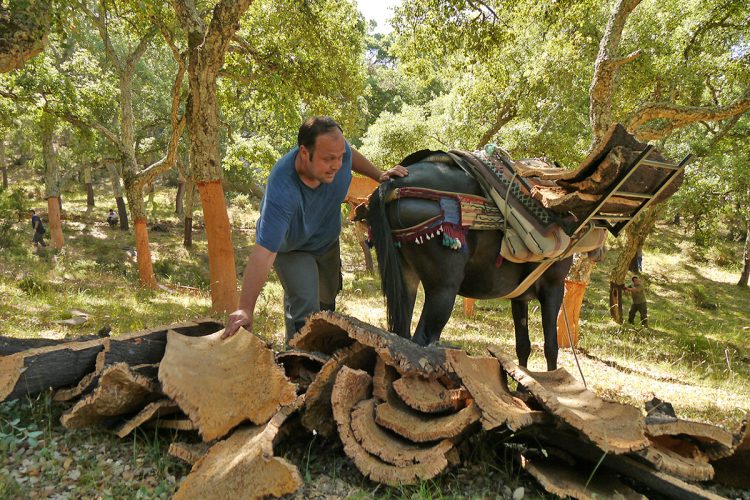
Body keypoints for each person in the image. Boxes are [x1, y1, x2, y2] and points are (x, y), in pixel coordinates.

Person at [223, 116, 408, 342]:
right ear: (304, 152)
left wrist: (379, 175)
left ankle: (320, 357)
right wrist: (245, 309)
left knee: (327, 304)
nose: (337, 165)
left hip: (327, 242)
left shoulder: (340, 155)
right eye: (329, 159)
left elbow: (350, 154)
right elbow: (264, 252)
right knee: (306, 310)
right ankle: (297, 365)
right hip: (293, 249)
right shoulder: (282, 190)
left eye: (340, 157)